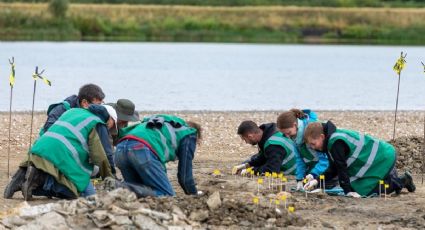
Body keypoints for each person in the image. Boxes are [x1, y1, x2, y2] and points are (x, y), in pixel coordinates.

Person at [4, 105, 116, 200]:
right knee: (83, 194)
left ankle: (23, 179)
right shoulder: (97, 122)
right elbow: (100, 157)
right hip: (59, 155)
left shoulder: (72, 111)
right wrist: (109, 176)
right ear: (106, 119)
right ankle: (44, 180)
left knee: (57, 174)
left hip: (37, 151)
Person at [303, 121, 416, 198]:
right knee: (356, 187)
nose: (313, 148)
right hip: (377, 159)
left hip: (383, 158)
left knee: (365, 193)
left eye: (313, 144)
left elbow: (341, 168)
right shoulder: (331, 140)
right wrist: (316, 180)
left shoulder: (335, 143)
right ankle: (389, 176)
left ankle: (401, 181)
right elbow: (334, 169)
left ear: (322, 136)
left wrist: (348, 192)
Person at [108, 114, 202, 197]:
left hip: (120, 149)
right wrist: (193, 195)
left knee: (137, 192)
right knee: (167, 195)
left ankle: (119, 187)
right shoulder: (189, 133)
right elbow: (185, 176)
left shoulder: (160, 123)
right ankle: (119, 186)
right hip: (141, 149)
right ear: (196, 136)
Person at [276, 109, 329, 191]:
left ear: (295, 125)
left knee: (326, 185)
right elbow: (299, 159)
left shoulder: (311, 132)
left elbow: (325, 159)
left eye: (288, 132)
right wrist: (299, 179)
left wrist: (313, 174)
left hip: (329, 166)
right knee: (307, 185)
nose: (287, 136)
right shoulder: (294, 137)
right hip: (315, 165)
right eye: (284, 134)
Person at [232, 120, 297, 176]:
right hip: (281, 160)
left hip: (296, 170)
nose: (246, 142)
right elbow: (263, 156)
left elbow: (272, 170)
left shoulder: (273, 145)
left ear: (250, 136)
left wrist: (251, 171)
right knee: (250, 160)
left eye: (244, 139)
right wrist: (247, 165)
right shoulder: (268, 132)